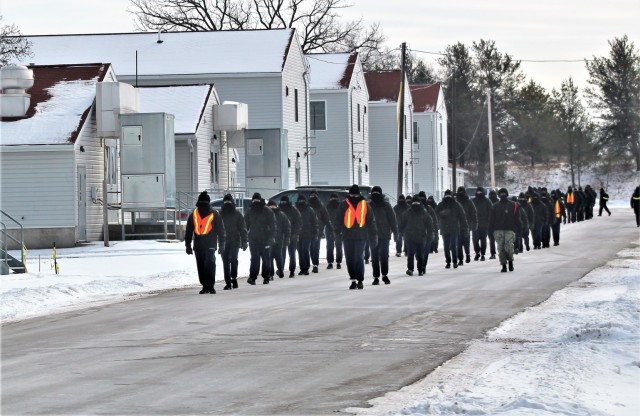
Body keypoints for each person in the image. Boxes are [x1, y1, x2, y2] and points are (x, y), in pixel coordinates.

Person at [336, 184, 377, 290]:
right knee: (349, 259)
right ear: (349, 194)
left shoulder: (365, 205)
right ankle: (353, 280)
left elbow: (371, 221)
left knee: (358, 257)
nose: (354, 196)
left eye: (355, 194)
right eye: (352, 194)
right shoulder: (343, 205)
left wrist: (374, 235)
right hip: (347, 236)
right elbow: (338, 220)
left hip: (361, 236)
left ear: (359, 194)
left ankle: (360, 280)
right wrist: (337, 232)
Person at [185, 191, 226, 294]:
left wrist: (188, 245)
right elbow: (221, 231)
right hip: (207, 244)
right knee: (209, 264)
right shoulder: (213, 213)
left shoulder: (197, 214)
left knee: (202, 265)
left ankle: (206, 286)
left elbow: (188, 230)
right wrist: (222, 245)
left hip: (203, 244)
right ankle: (208, 286)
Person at [368, 186, 398, 285]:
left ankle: (384, 275)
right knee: (375, 257)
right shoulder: (368, 206)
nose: (375, 195)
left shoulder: (386, 206)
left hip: (385, 235)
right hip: (373, 235)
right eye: (374, 193)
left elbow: (393, 220)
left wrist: (395, 233)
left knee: (384, 256)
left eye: (377, 193)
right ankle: (376, 277)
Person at [244, 193, 276, 285]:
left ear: (260, 200)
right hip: (253, 239)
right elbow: (245, 225)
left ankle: (266, 277)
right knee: (254, 259)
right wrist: (245, 236)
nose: (255, 202)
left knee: (266, 259)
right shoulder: (250, 211)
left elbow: (273, 226)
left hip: (265, 239)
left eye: (257, 200)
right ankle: (252, 277)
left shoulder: (267, 211)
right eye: (254, 201)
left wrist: (271, 238)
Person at [399, 195, 434, 276]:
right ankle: (411, 269)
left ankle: (420, 269)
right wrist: (400, 230)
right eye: (414, 202)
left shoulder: (423, 212)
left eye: (417, 202)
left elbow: (429, 224)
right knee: (411, 253)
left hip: (420, 237)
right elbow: (402, 223)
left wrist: (430, 234)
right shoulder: (408, 213)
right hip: (411, 237)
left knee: (419, 254)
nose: (415, 204)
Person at [219, 194, 248, 290]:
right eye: (225, 202)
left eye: (229, 202)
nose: (227, 203)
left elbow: (243, 229)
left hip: (235, 241)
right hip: (224, 242)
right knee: (225, 262)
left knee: (233, 259)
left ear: (232, 202)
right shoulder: (220, 214)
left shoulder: (237, 214)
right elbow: (217, 229)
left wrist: (244, 241)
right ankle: (228, 282)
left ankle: (233, 277)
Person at [488, 188, 520, 273]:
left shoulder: (513, 205)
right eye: (501, 194)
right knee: (501, 248)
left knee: (508, 247)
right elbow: (491, 220)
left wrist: (520, 228)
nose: (502, 195)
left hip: (510, 229)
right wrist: (490, 231)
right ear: (499, 195)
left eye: (504, 193)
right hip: (498, 230)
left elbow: (517, 218)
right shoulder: (495, 206)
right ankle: (503, 265)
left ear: (507, 194)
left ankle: (510, 261)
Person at [436, 189, 468, 269]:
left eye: (449, 195)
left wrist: (465, 226)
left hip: (454, 228)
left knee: (453, 245)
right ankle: (448, 261)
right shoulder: (441, 204)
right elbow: (435, 214)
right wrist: (442, 213)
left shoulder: (456, 204)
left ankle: (454, 261)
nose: (448, 197)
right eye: (446, 195)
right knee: (446, 247)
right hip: (444, 228)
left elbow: (462, 216)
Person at [308, 189, 334, 273]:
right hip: (308, 230)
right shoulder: (307, 205)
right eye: (311, 195)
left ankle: (315, 265)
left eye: (315, 195)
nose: (313, 197)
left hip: (318, 229)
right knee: (310, 248)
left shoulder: (321, 206)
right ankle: (312, 263)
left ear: (317, 196)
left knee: (315, 247)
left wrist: (330, 228)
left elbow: (326, 218)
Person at [295, 194, 319, 276]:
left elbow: (315, 222)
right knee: (300, 251)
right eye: (300, 200)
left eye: (303, 200)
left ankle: (306, 268)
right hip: (298, 234)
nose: (301, 202)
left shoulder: (310, 210)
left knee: (305, 250)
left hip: (308, 233)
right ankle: (302, 268)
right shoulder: (295, 209)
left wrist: (315, 233)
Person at [279, 195, 302, 278]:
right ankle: (281, 269)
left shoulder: (293, 210)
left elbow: (298, 222)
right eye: (282, 202)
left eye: (285, 201)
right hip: (282, 236)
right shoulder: (279, 209)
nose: (283, 203)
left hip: (292, 235)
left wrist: (295, 233)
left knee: (292, 254)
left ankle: (292, 271)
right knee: (282, 254)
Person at [267, 200, 290, 280]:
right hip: (268, 240)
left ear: (276, 206)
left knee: (279, 257)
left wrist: (287, 238)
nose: (272, 207)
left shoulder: (281, 215)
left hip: (279, 240)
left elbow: (287, 227)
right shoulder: (266, 215)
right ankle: (270, 274)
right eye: (270, 206)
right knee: (269, 258)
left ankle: (280, 269)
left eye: (273, 206)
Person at [455, 186, 478, 265]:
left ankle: (467, 254)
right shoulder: (455, 202)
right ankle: (460, 259)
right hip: (457, 226)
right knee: (458, 243)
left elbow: (473, 213)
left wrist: (474, 223)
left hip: (466, 225)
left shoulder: (469, 202)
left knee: (466, 242)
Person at [472, 186, 492, 261]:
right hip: (475, 224)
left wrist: (489, 221)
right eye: (478, 192)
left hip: (484, 224)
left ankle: (483, 254)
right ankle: (477, 252)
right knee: (475, 240)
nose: (479, 193)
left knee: (483, 240)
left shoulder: (487, 201)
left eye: (480, 192)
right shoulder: (473, 201)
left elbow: (491, 211)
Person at [325, 193, 344, 269]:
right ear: (330, 199)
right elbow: (325, 217)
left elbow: (343, 218)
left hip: (338, 228)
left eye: (335, 198)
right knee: (329, 246)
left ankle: (338, 262)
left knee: (338, 246)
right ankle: (330, 262)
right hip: (329, 228)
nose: (333, 200)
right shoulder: (327, 207)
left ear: (337, 199)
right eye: (332, 198)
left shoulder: (340, 207)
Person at [487, 189, 498, 259]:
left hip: (496, 223)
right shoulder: (488, 202)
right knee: (492, 240)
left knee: (494, 240)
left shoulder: (498, 203)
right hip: (490, 223)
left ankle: (494, 253)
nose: (492, 196)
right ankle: (493, 253)